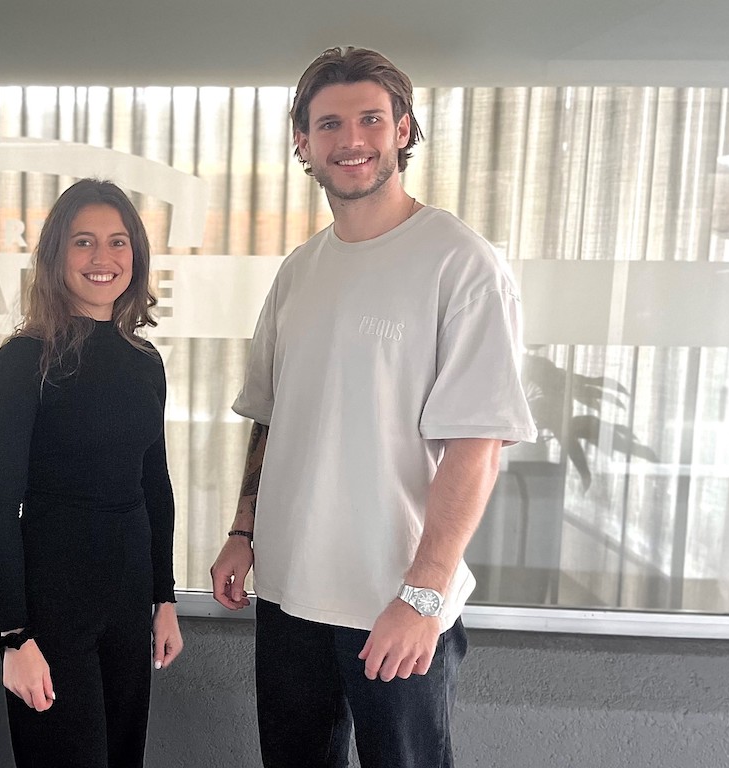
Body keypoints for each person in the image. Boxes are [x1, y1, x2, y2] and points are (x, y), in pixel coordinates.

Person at [209, 47, 536, 768]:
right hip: (289, 594)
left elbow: (477, 445)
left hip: (395, 600)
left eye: (370, 120)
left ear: (403, 129)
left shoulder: (460, 263)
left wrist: (424, 595)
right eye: (329, 124)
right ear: (303, 141)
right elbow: (272, 416)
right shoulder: (299, 271)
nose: (350, 140)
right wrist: (243, 531)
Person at [0, 178, 183, 768]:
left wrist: (163, 599)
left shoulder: (144, 362)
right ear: (56, 256)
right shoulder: (22, 363)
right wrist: (15, 638)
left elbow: (154, 485)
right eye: (83, 241)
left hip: (127, 607)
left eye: (118, 242)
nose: (103, 258)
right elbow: (0, 509)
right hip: (51, 615)